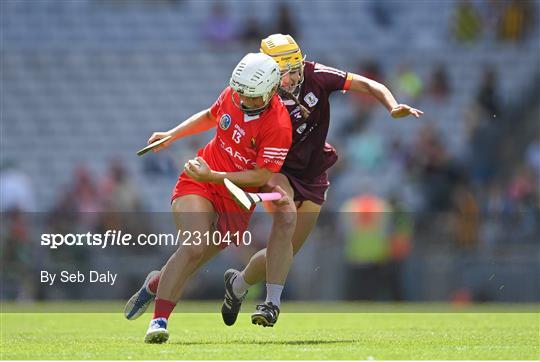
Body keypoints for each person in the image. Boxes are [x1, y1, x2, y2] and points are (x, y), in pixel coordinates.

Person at [126, 34, 423, 329]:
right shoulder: (254, 91)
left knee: (283, 252)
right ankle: (271, 303)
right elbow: (220, 122)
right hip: (276, 170)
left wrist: (392, 104)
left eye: (295, 69)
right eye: (285, 73)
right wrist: (176, 137)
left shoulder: (313, 78)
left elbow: (366, 84)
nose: (293, 78)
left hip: (307, 171)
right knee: (281, 212)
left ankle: (237, 284)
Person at [124, 52, 292, 343]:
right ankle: (158, 322)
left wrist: (214, 176)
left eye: (254, 97)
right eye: (241, 94)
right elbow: (210, 116)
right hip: (198, 181)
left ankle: (154, 284)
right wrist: (172, 134)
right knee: (193, 246)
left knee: (194, 260)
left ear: (272, 90)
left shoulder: (278, 125)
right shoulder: (233, 94)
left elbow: (261, 176)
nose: (244, 101)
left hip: (234, 196)